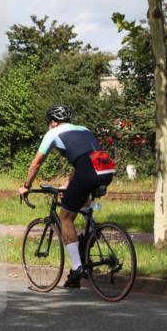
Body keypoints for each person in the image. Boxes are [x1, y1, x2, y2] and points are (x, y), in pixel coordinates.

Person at [18, 104, 115, 288]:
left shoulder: (52, 133)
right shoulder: (84, 129)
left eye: (49, 122)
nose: (49, 125)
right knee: (82, 204)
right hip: (106, 168)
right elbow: (84, 159)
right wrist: (69, 185)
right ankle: (89, 238)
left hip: (87, 171)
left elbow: (36, 163)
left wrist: (26, 186)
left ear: (53, 122)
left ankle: (78, 266)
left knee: (65, 217)